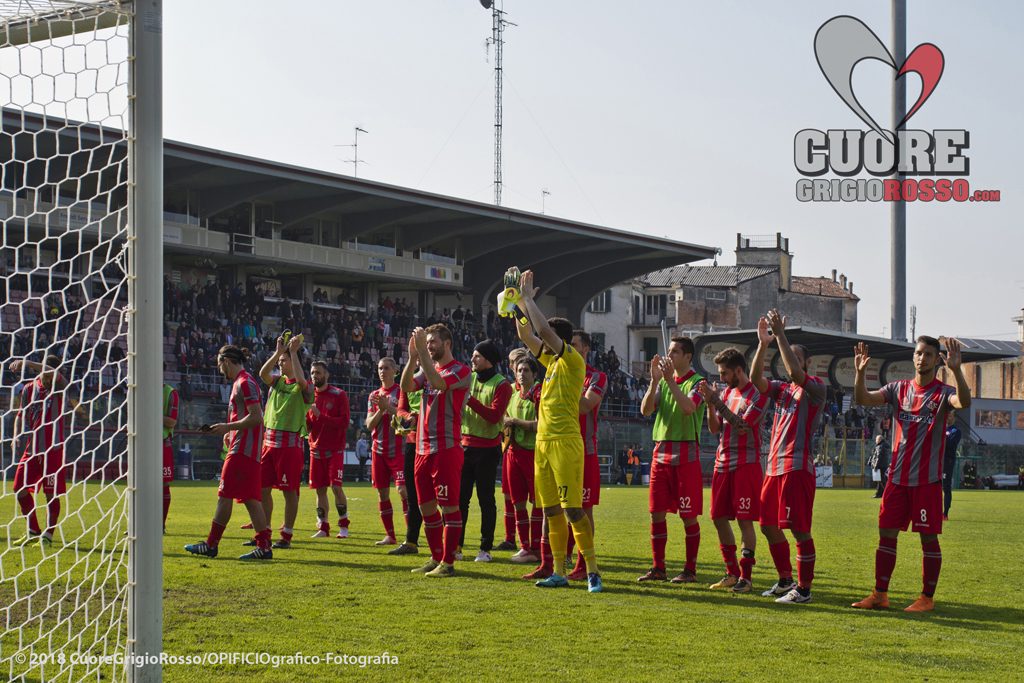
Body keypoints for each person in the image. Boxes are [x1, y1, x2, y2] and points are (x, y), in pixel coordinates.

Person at [851, 336, 970, 612]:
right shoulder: (898, 388)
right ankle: (880, 594)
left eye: (928, 354)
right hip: (896, 479)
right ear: (913, 357)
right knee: (886, 534)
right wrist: (859, 374)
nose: (922, 358)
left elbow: (963, 401)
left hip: (926, 482)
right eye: (918, 353)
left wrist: (957, 370)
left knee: (928, 538)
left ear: (936, 360)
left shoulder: (942, 393)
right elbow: (862, 398)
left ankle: (926, 598)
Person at [514, 268, 602, 593]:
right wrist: (514, 302)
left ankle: (592, 570)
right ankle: (559, 572)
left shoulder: (572, 361)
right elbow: (525, 335)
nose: (542, 342)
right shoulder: (551, 366)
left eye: (547, 338)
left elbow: (538, 331)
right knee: (550, 510)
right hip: (542, 444)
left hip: (566, 443)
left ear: (558, 340)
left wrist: (528, 300)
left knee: (572, 509)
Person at [749, 310, 826, 604]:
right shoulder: (782, 390)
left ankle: (804, 589)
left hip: (796, 466)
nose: (787, 360)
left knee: (799, 529)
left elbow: (795, 373)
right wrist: (763, 344)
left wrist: (780, 334)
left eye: (793, 356)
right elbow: (756, 379)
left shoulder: (816, 388)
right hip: (774, 467)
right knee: (768, 525)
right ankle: (785, 579)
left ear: (807, 363)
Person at [185, 345, 273, 560]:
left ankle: (211, 544)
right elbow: (246, 418)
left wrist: (228, 427)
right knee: (252, 500)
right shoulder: (240, 383)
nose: (219, 369)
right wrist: (230, 432)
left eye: (219, 364)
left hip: (242, 451)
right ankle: (264, 547)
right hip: (245, 449)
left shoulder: (245, 382)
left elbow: (256, 417)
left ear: (226, 360)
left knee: (224, 496)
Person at [399, 324, 471, 577]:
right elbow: (406, 386)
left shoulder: (461, 370)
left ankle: (448, 563)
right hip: (421, 449)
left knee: (449, 507)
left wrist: (423, 357)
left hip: (446, 448)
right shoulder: (427, 368)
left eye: (432, 342)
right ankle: (435, 557)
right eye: (426, 342)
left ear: (447, 343)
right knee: (426, 507)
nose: (428, 346)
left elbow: (440, 383)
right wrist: (412, 358)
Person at [698, 347, 769, 594]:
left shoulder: (757, 395)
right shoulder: (727, 393)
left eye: (725, 373)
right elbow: (715, 429)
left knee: (744, 521)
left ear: (739, 369)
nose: (722, 378)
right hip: (722, 463)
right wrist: (710, 405)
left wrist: (716, 400)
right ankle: (731, 573)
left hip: (746, 465)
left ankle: (746, 578)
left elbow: (742, 426)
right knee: (718, 518)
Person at [637, 336, 706, 584]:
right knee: (656, 513)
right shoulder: (664, 383)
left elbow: (689, 408)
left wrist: (667, 381)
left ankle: (690, 570)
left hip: (686, 457)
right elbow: (645, 410)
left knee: (688, 516)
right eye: (669, 351)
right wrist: (654, 381)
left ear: (688, 357)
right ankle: (658, 568)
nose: (670, 355)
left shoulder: (699, 383)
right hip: (661, 455)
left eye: (675, 351)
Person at [11, 356, 86, 547]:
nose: (49, 376)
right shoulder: (29, 388)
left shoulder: (59, 389)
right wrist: (15, 435)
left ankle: (48, 535)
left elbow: (54, 373)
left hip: (53, 451)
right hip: (32, 449)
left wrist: (26, 363)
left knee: (50, 494)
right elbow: (20, 416)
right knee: (18, 488)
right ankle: (33, 530)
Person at [248, 334, 312, 549]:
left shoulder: (304, 386)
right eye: (280, 361)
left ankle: (286, 535)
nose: (280, 363)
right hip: (269, 445)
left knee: (289, 491)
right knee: (263, 490)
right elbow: (262, 373)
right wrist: (277, 352)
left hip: (289, 447)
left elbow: (302, 383)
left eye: (283, 361)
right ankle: (263, 532)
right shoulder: (276, 381)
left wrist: (292, 352)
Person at [458, 339, 513, 562]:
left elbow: (493, 416)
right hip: (464, 447)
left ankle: (485, 549)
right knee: (459, 500)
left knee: (485, 500)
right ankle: (455, 547)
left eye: (477, 356)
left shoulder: (503, 385)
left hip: (487, 450)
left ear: (489, 360)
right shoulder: (467, 379)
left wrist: (469, 400)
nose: (472, 359)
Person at [565, 329, 607, 580]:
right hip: (560, 447)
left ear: (586, 349)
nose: (569, 348)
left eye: (574, 344)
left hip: (584, 451)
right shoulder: (560, 371)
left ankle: (584, 563)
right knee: (560, 508)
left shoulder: (597, 377)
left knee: (584, 509)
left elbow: (585, 405)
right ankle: (560, 559)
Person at [503, 355, 543, 564]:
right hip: (513, 452)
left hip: (534, 453)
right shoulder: (512, 393)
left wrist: (515, 421)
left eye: (526, 370)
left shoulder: (540, 393)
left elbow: (541, 425)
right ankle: (525, 547)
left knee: (538, 503)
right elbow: (503, 416)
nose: (521, 373)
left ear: (535, 374)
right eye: (519, 370)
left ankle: (537, 547)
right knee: (517, 502)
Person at [365, 357, 409, 546]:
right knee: (382, 494)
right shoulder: (373, 395)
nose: (383, 371)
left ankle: (410, 536)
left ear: (395, 370)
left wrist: (388, 407)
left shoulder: (401, 392)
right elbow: (368, 424)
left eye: (387, 368)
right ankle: (390, 536)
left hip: (398, 450)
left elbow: (406, 421)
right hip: (378, 451)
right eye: (380, 368)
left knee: (403, 491)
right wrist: (380, 411)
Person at [306, 360, 351, 539]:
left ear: (326, 375)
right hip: (315, 449)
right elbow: (310, 425)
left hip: (334, 450)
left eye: (318, 372)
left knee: (336, 488)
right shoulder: (309, 397)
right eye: (312, 373)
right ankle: (323, 527)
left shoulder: (339, 395)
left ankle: (344, 526)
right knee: (319, 490)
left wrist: (321, 417)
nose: (314, 376)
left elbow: (344, 423)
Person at [496, 347, 532, 552]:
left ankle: (533, 543)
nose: (515, 366)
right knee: (509, 496)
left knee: (534, 499)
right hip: (510, 448)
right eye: (512, 362)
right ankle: (511, 538)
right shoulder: (509, 390)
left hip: (530, 450)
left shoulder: (536, 391)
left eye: (518, 361)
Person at [388, 387, 422, 555]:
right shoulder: (408, 380)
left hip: (436, 442)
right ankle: (411, 542)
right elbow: (401, 409)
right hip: (412, 442)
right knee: (413, 496)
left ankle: (450, 547)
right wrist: (409, 418)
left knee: (440, 497)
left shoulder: (439, 377)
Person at [162, 382, 179, 533]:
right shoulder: (140, 390)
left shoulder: (170, 393)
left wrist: (151, 412)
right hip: (142, 443)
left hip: (162, 444)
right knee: (139, 485)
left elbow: (172, 422)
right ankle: (137, 524)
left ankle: (161, 524)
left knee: (163, 485)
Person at [942, 411, 961, 521]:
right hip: (937, 461)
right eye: (946, 415)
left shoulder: (956, 431)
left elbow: (949, 444)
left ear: (954, 418)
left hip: (947, 462)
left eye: (949, 416)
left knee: (946, 487)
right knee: (934, 487)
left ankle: (945, 513)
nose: (947, 417)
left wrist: (941, 436)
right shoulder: (941, 428)